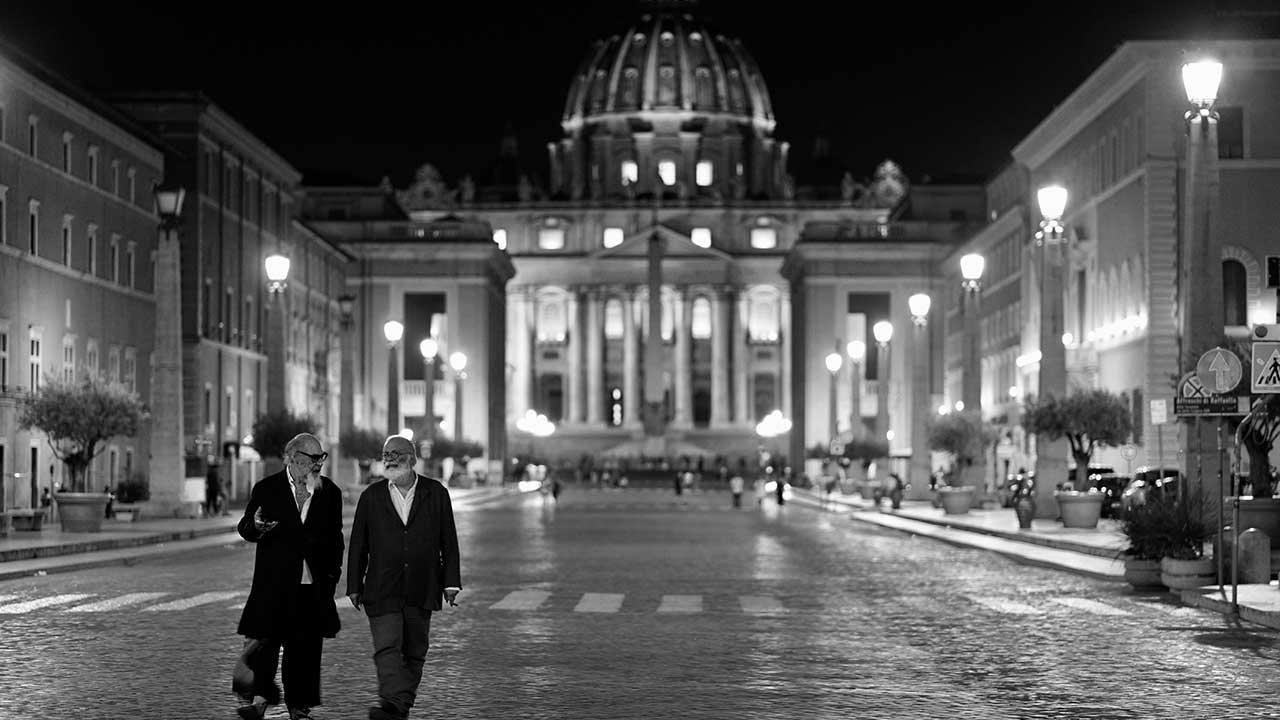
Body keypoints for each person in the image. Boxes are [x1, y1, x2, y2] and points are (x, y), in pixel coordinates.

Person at [348, 435, 461, 720]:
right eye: (386, 453)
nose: (390, 458)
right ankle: (392, 703)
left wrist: (451, 582)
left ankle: (397, 708)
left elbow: (448, 540)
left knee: (414, 652)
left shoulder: (435, 493)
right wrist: (353, 586)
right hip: (382, 586)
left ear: (412, 458)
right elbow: (358, 545)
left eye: (397, 453)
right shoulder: (371, 496)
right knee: (387, 646)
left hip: (422, 585)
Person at [234, 433, 344, 720]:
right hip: (273, 583)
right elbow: (245, 527)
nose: (318, 463)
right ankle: (259, 699)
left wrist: (332, 575)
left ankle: (299, 706)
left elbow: (336, 540)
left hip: (312, 585)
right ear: (293, 456)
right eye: (312, 458)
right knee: (266, 643)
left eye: (322, 457)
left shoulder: (330, 492)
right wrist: (255, 525)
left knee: (305, 649)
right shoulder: (267, 489)